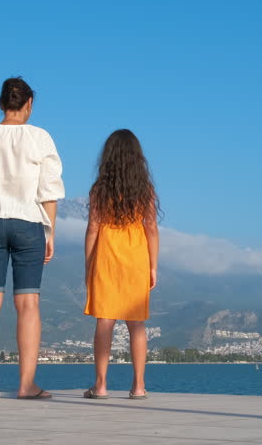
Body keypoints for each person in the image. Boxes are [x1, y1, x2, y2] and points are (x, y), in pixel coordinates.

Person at [0, 77, 64, 399]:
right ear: (29, 103)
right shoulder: (40, 137)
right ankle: (26, 385)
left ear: (1, 103)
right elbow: (49, 190)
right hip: (30, 222)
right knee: (28, 304)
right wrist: (50, 232)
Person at [83, 129, 160, 399]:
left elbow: (93, 228)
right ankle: (138, 386)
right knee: (136, 323)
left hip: (106, 255)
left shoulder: (99, 190)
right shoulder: (145, 190)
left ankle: (101, 385)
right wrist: (153, 266)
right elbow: (151, 228)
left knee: (105, 321)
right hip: (136, 256)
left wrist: (89, 264)